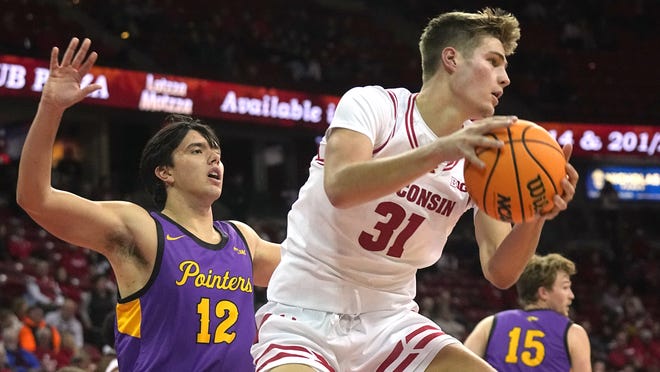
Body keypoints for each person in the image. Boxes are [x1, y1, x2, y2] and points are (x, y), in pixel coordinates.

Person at [251, 7, 579, 371]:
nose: (505, 79)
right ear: (451, 58)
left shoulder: (484, 159)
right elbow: (341, 188)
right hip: (304, 311)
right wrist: (442, 149)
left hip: (391, 321)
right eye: (494, 61)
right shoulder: (374, 105)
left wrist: (535, 217)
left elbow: (501, 273)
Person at [16, 37, 281, 371]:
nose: (214, 156)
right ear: (164, 171)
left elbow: (320, 267)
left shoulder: (244, 240)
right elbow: (35, 198)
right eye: (197, 150)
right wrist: (51, 108)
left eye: (216, 152)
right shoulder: (143, 230)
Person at [464, 253, 591, 371]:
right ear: (543, 293)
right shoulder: (573, 332)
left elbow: (459, 366)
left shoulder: (489, 324)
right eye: (565, 287)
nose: (571, 295)